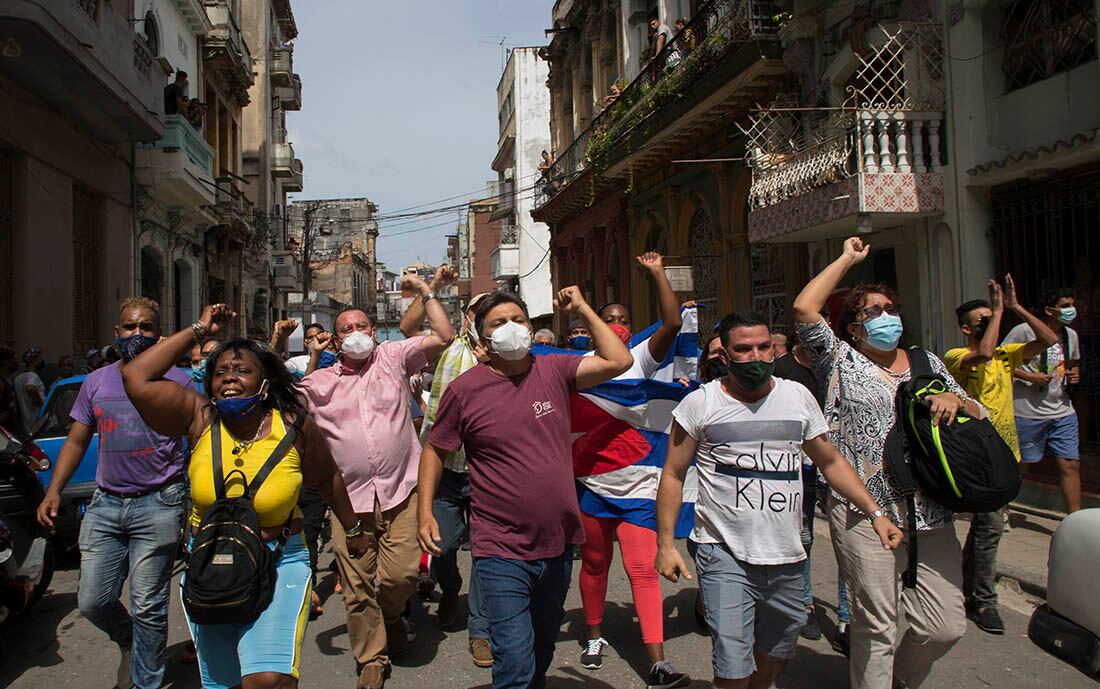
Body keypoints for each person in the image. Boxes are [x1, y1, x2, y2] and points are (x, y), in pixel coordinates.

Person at [119, 303, 368, 689]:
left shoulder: (293, 428)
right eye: (220, 373)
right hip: (209, 568)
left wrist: (352, 531)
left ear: (265, 382)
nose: (229, 379)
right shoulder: (198, 418)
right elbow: (136, 377)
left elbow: (329, 477)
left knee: (268, 679)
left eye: (242, 371)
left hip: (281, 561)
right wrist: (200, 328)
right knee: (224, 683)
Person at [655, 309, 902, 689]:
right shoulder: (700, 404)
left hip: (787, 554)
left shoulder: (797, 396)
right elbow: (672, 474)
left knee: (778, 651)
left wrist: (875, 512)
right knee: (732, 660)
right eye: (744, 349)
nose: (756, 356)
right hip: (724, 551)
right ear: (725, 356)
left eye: (763, 347)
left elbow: (831, 460)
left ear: (773, 348)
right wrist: (666, 543)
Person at [418, 287, 633, 689]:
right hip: (500, 548)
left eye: (518, 320)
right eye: (498, 323)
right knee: (514, 661)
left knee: (542, 648)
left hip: (558, 543)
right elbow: (434, 448)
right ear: (483, 340)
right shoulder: (465, 391)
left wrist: (583, 308)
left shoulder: (555, 371)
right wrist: (425, 511)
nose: (511, 329)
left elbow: (619, 360)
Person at [792, 237, 981, 689]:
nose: (886, 317)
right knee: (876, 624)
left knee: (945, 625)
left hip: (931, 509)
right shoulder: (838, 360)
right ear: (853, 327)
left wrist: (954, 397)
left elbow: (978, 410)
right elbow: (803, 310)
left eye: (890, 308)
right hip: (863, 509)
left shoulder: (925, 360)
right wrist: (847, 259)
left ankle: (900, 680)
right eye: (872, 312)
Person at [299, 272, 454, 689]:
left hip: (402, 492)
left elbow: (443, 335)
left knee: (400, 577)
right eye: (345, 329)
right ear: (334, 341)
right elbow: (282, 403)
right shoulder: (318, 385)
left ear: (373, 331)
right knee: (355, 586)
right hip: (348, 502)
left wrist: (426, 292)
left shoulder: (393, 358)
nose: (354, 334)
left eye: (360, 327)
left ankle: (389, 616)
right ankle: (371, 658)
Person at [35, 298, 192, 689]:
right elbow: (75, 440)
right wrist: (54, 489)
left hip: (160, 502)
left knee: (148, 604)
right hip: (105, 505)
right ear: (116, 333)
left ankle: (145, 682)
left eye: (146, 328)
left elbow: (200, 445)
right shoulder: (96, 382)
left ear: (159, 333)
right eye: (129, 327)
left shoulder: (180, 381)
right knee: (92, 602)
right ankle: (131, 642)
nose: (137, 335)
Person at [575, 252, 690, 688]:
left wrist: (658, 274)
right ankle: (594, 634)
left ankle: (657, 661)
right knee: (595, 562)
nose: (618, 323)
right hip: (591, 483)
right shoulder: (576, 367)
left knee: (643, 568)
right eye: (609, 318)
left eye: (623, 317)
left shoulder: (641, 358)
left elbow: (673, 324)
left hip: (641, 485)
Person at [944, 276, 1056, 635]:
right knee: (990, 526)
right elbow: (986, 352)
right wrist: (998, 313)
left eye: (990, 317)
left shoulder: (1007, 357)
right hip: (978, 454)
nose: (990, 321)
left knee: (986, 527)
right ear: (965, 328)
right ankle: (984, 599)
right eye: (982, 319)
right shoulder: (958, 356)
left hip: (1007, 451)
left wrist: (1017, 307)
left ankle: (967, 586)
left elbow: (1049, 340)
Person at [415, 292, 494, 667]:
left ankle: (481, 630)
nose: (484, 318)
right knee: (442, 545)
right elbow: (407, 330)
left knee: (485, 553)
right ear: (467, 317)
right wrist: (425, 289)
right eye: (479, 311)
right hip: (446, 468)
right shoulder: (447, 346)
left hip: (486, 471)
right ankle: (450, 589)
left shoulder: (507, 357)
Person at [1004, 287, 1083, 513]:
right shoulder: (1023, 332)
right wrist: (1030, 376)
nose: (1071, 310)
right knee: (1019, 464)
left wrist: (1075, 374)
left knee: (1070, 464)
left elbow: (1073, 363)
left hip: (1062, 410)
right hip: (1027, 411)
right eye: (1065, 306)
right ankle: (1003, 507)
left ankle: (1074, 519)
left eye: (1072, 304)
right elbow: (999, 363)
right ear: (1049, 310)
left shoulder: (1071, 335)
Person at [14, 348, 46, 436]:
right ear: (34, 361)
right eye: (39, 359)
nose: (41, 361)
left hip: (27, 425)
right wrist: (40, 402)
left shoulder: (18, 378)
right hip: (38, 422)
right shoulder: (32, 375)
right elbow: (30, 387)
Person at [0, 348, 18, 430]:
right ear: (5, 362)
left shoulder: (8, 379)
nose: (15, 362)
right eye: (13, 359)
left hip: (11, 426)